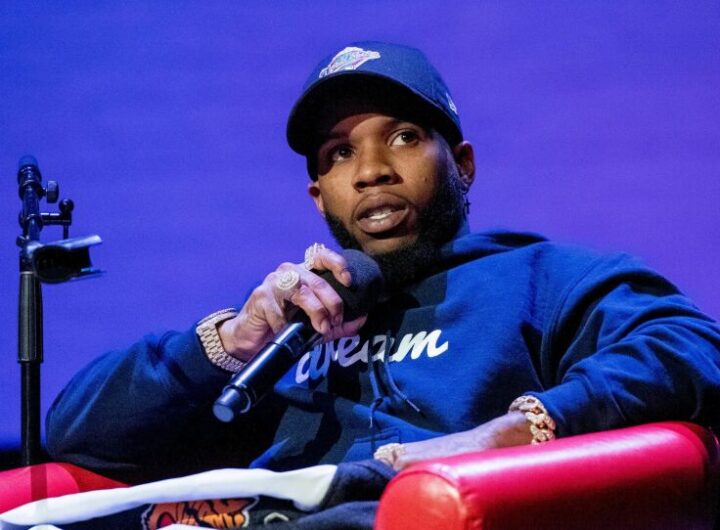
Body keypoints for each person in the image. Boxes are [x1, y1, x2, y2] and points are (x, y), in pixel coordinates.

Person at [46, 41, 720, 488]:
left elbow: (689, 347)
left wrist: (512, 432)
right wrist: (233, 339)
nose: (370, 171)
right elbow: (78, 436)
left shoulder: (540, 279)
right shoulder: (295, 324)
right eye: (338, 153)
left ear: (462, 165)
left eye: (402, 136)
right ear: (318, 197)